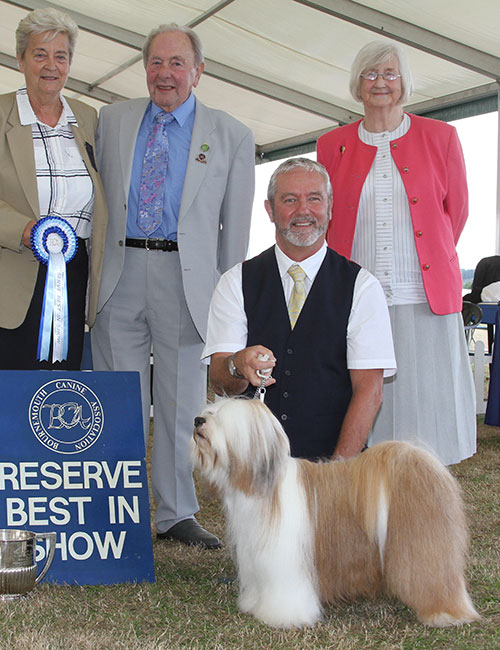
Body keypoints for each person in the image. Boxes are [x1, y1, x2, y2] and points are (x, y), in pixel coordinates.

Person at [91, 23, 255, 548]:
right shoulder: (109, 122)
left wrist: (228, 305)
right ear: (145, 68)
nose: (166, 73)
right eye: (156, 62)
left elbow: (235, 232)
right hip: (119, 274)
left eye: (177, 63)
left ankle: (176, 513)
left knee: (184, 403)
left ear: (198, 71)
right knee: (119, 402)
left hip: (189, 282)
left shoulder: (231, 134)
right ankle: (117, 508)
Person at [317, 41, 475, 465]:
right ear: (357, 84)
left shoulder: (441, 137)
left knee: (428, 405)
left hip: (423, 297)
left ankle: (425, 494)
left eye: (389, 74)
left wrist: (429, 261)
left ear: (404, 83)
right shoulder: (332, 145)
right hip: (360, 299)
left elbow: (455, 214)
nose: (380, 83)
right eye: (370, 74)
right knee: (362, 399)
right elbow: (327, 217)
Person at [203, 158, 396, 461]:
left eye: (314, 199)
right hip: (253, 467)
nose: (303, 210)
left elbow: (369, 392)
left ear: (330, 207)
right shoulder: (234, 282)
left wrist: (337, 475)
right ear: (270, 209)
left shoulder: (362, 287)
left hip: (330, 465)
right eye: (290, 200)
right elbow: (219, 380)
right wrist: (237, 365)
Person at [0, 7, 107, 369]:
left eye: (60, 56)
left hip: (73, 276)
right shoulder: (1, 115)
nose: (51, 65)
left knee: (56, 393)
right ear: (20, 60)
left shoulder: (88, 117)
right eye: (40, 54)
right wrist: (26, 229)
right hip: (11, 277)